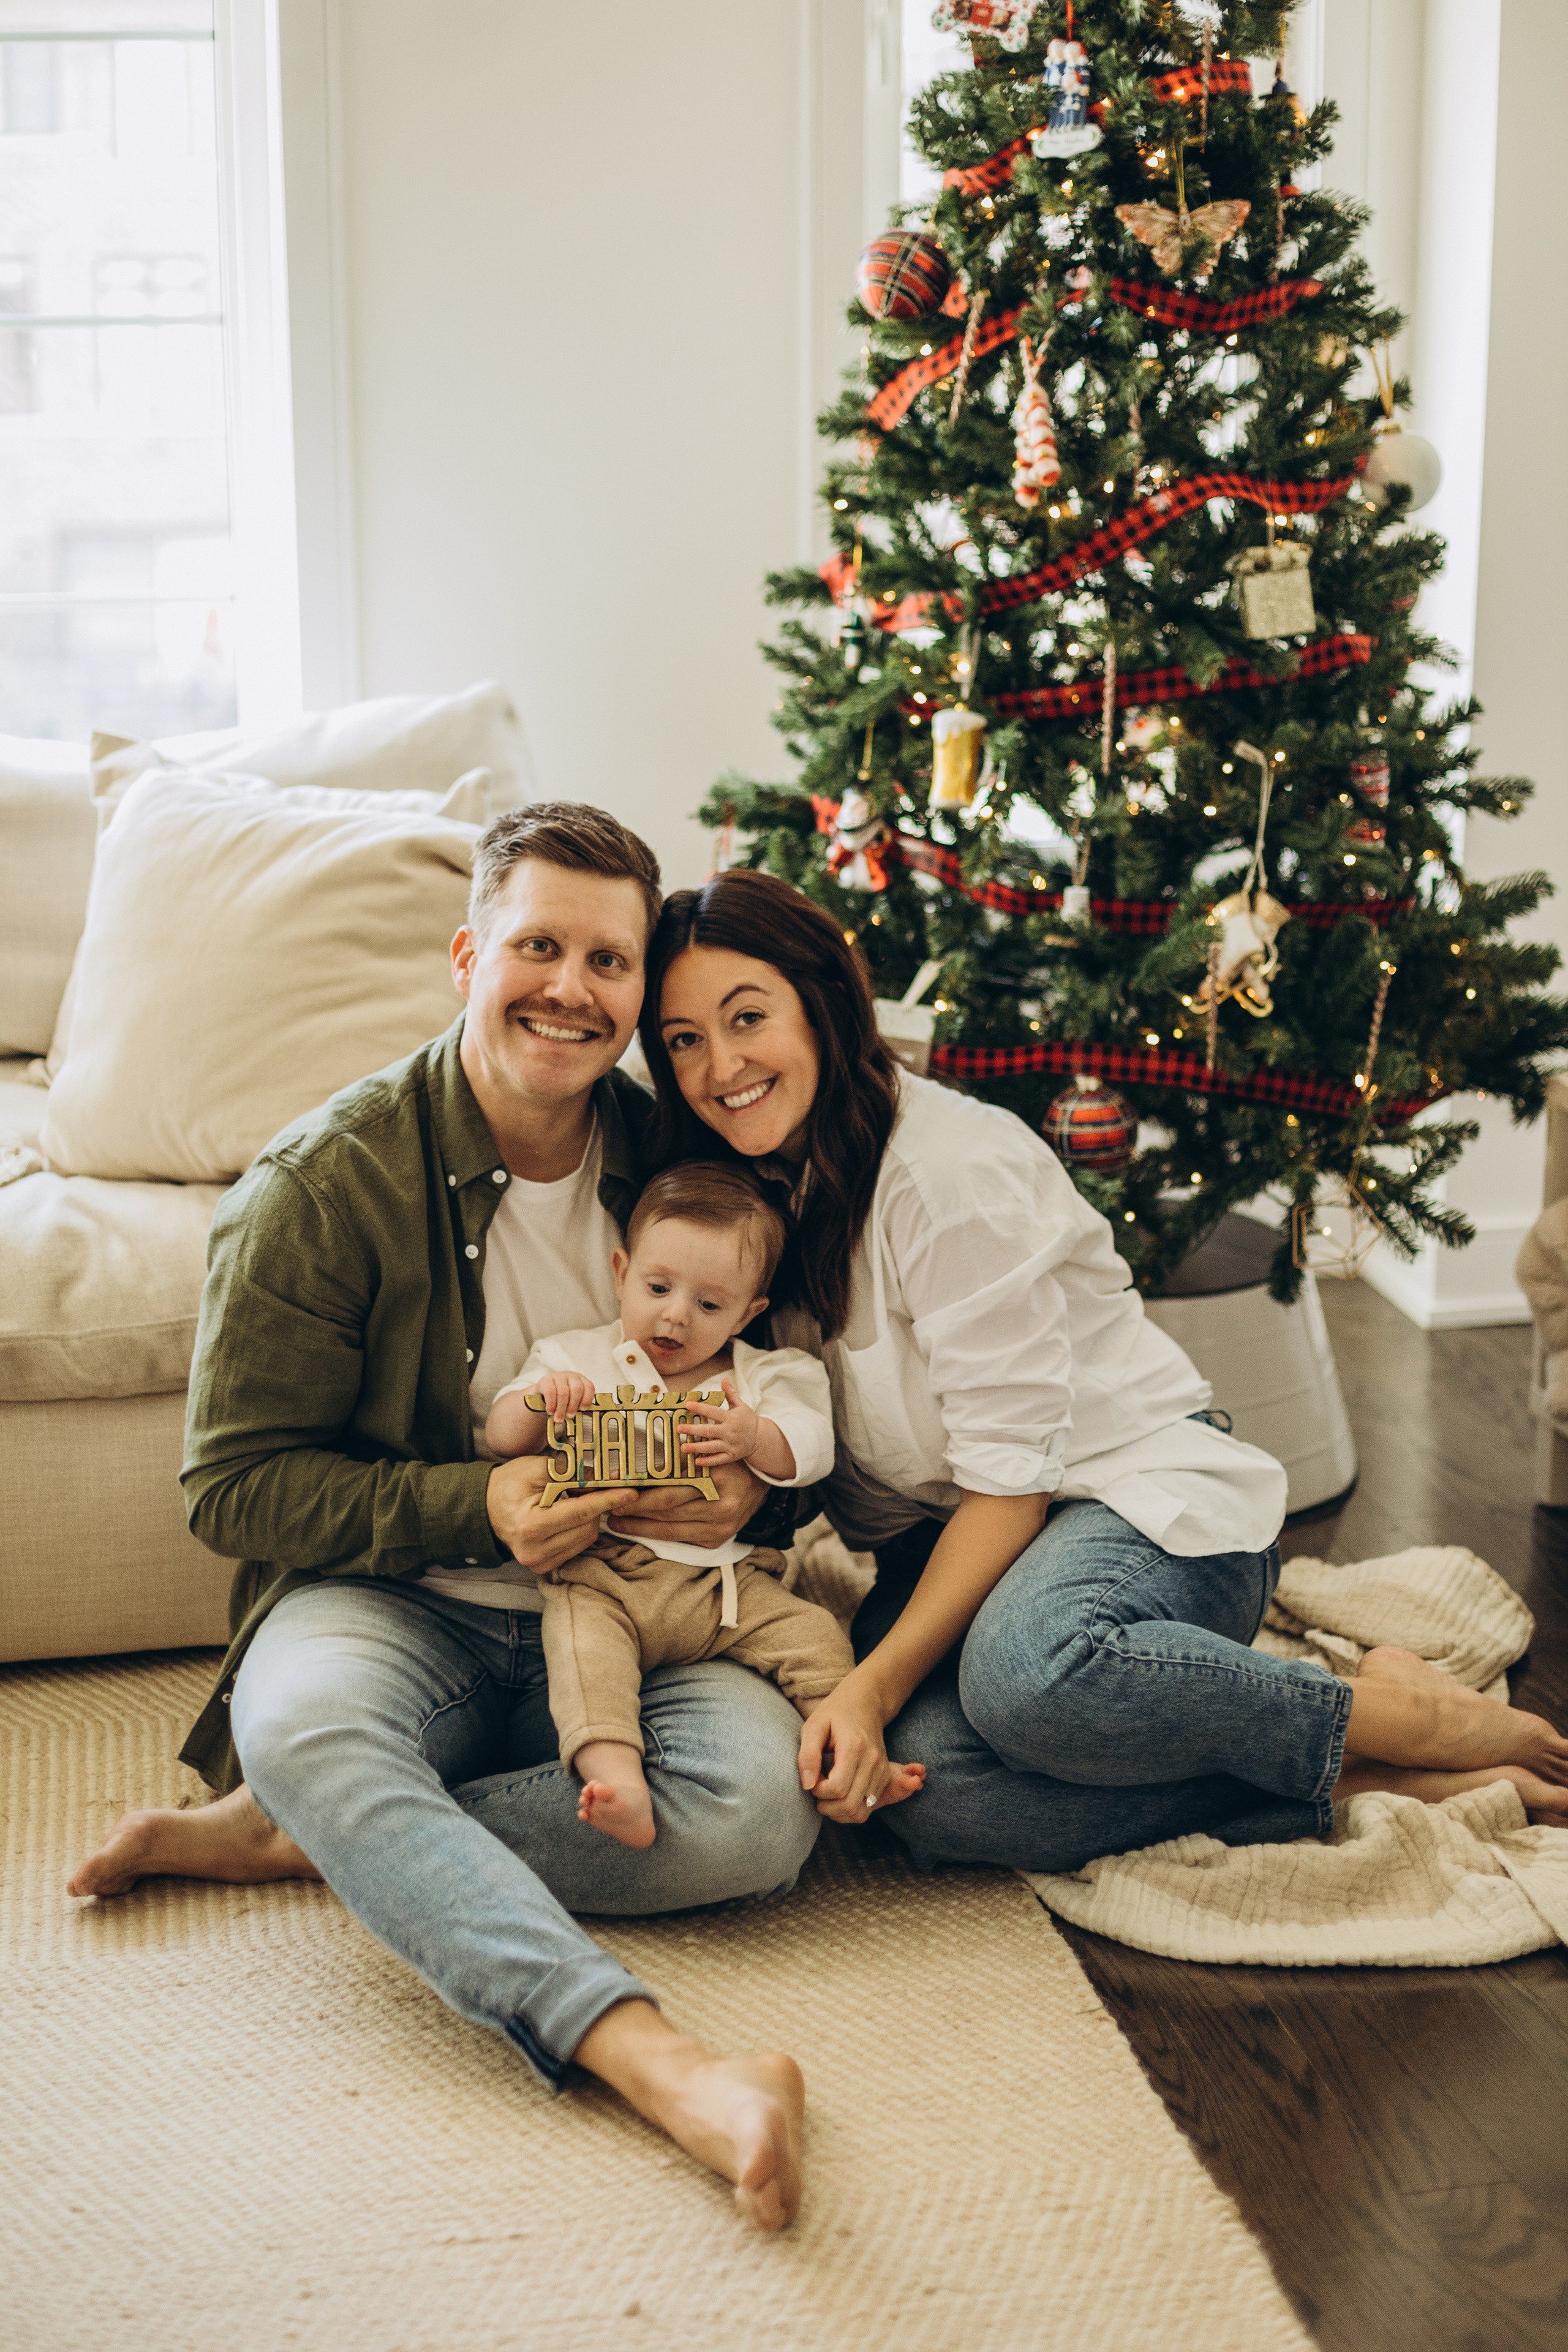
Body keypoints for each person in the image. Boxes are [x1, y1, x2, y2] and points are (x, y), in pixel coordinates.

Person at [68, 808, 822, 2233]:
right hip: (398, 1598)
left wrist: (750, 1484)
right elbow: (233, 1483)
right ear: (469, 952)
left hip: (644, 1596)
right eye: (537, 944)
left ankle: (330, 1830)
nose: (571, 986)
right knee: (304, 1722)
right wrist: (474, 1501)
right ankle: (661, 2063)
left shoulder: (680, 1160)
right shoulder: (320, 1184)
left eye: (608, 958)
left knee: (751, 1815)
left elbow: (787, 1386)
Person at [639, 867, 1568, 1857]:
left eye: (747, 1018)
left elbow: (1010, 1483)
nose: (717, 1065)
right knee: (923, 1790)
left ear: (822, 1007)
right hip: (954, 1545)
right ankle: (1360, 1765)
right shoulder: (743, 1197)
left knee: (1025, 1679)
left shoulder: (948, 1175)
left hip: (1136, 1505)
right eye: (684, 1040)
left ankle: (1391, 1716)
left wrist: (871, 1684)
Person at [486, 1158, 924, 1849]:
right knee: (582, 1657)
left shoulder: (767, 1375)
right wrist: (541, 1404)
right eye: (658, 1287)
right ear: (620, 1271)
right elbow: (499, 1434)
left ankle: (849, 1758)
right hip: (605, 1577)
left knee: (815, 1638)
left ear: (750, 1312)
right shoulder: (573, 1356)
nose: (676, 1315)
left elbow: (812, 1446)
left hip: (726, 1588)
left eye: (710, 1305)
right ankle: (617, 1780)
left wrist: (756, 1437)